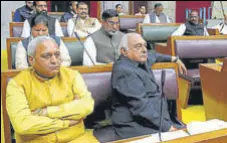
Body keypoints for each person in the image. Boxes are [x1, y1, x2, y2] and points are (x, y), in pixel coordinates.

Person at [94, 33, 187, 142]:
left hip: (155, 117)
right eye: (138, 46)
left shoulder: (140, 58)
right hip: (135, 123)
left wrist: (174, 59)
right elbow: (140, 107)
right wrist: (168, 127)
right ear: (124, 51)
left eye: (145, 45)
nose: (144, 50)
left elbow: (154, 55)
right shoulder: (124, 71)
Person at [6, 36, 99, 143]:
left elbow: (86, 106)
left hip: (76, 138)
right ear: (31, 60)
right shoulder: (17, 84)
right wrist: (66, 122)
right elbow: (22, 124)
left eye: (57, 55)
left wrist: (47, 112)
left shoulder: (72, 76)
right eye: (46, 56)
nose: (54, 61)